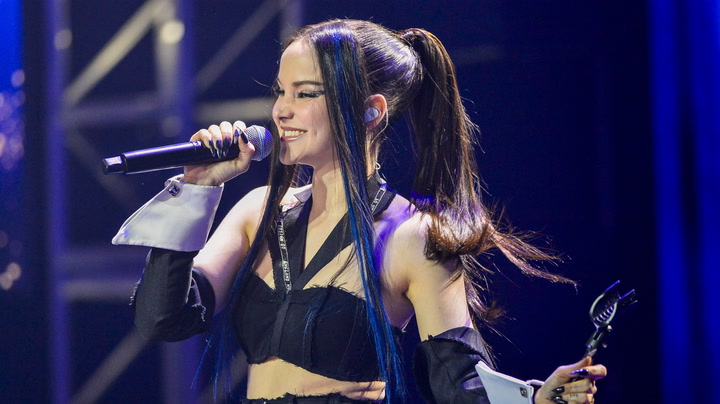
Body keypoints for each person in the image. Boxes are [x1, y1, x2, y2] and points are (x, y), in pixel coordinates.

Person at [113, 19, 607, 403]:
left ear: (371, 111)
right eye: (280, 92)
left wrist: (533, 397)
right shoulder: (258, 212)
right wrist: (197, 189)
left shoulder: (411, 236)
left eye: (305, 93)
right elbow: (162, 319)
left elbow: (459, 384)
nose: (281, 110)